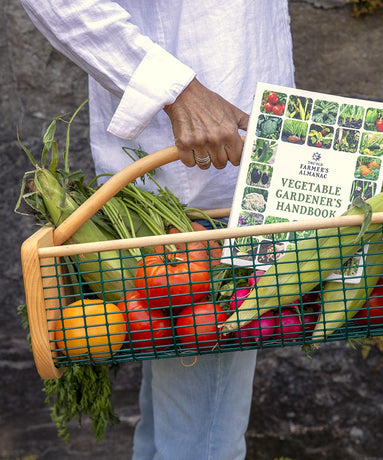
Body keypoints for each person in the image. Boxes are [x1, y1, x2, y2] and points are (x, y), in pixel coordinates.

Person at [19, 1, 295, 459]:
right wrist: (179, 90)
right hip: (195, 191)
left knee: (173, 432)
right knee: (202, 444)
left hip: (221, 185)